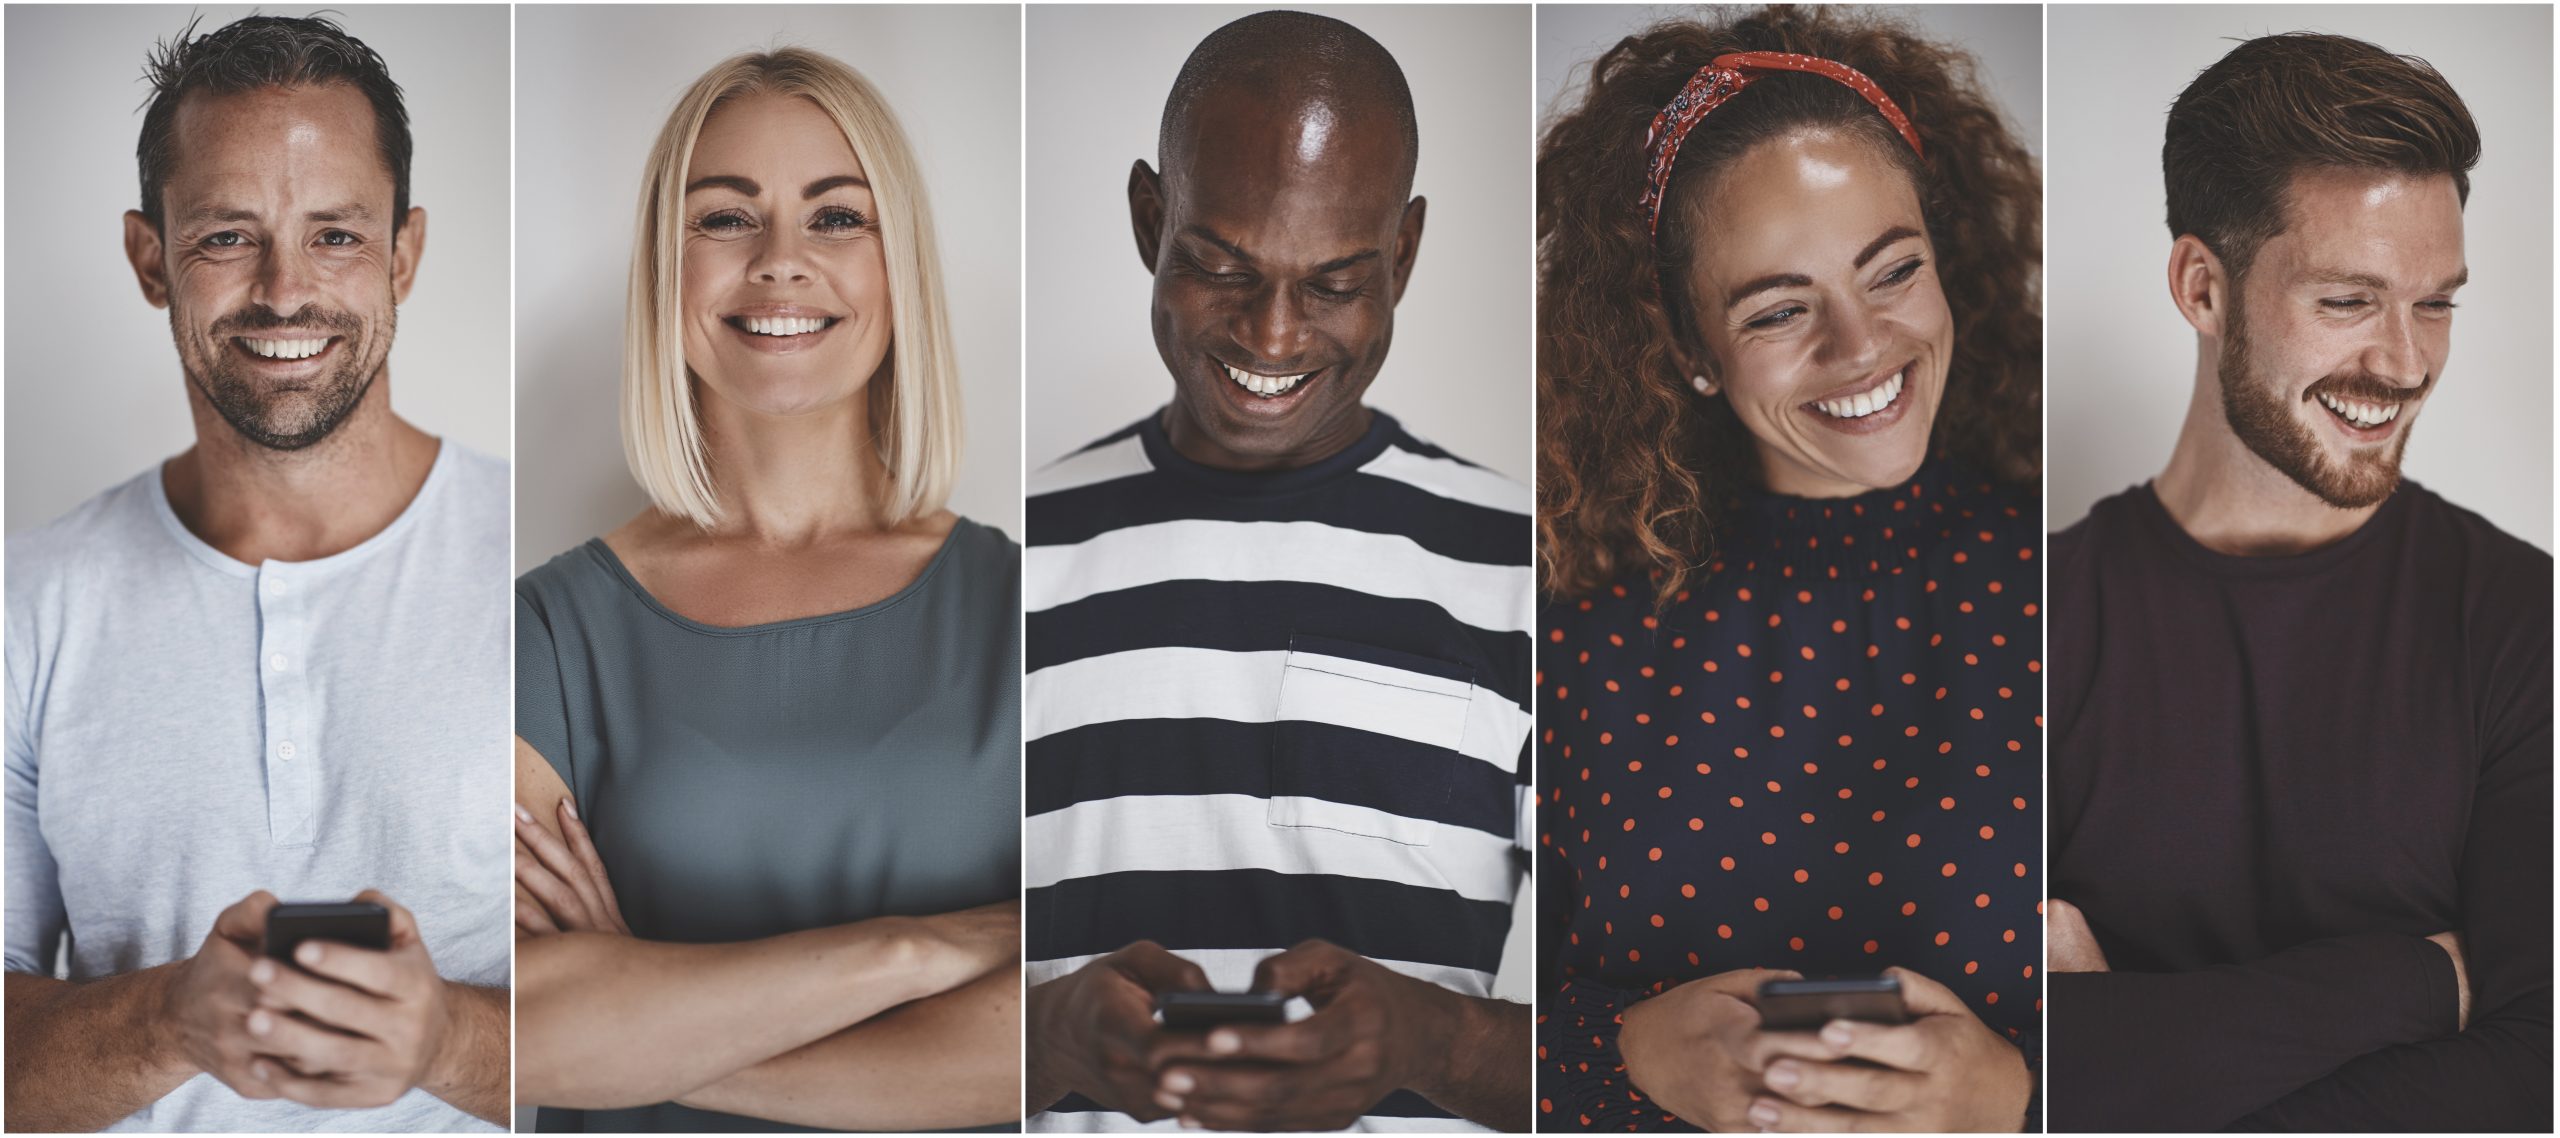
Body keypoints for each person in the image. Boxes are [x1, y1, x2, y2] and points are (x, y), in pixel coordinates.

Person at [1533, 6, 2043, 1132]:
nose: (1859, 346)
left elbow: (2204, 1020)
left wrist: (2025, 1094)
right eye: (1776, 308)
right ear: (1684, 348)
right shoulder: (1569, 632)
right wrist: (1612, 1049)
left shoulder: (2077, 589)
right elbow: (1453, 1019)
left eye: (1891, 270)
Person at [1022, 10, 1532, 1132]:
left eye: (1338, 282)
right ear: (1150, 219)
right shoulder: (1010, 557)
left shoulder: (1530, 568)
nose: (1274, 334)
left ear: (1403, 252)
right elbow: (916, 1002)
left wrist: (1430, 1039)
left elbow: (1638, 1028)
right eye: (1218, 265)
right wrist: (1038, 1040)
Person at [3, 14, 511, 1131]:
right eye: (229, 237)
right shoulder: (27, 604)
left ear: (405, 253)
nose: (285, 292)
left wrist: (451, 1039)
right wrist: (171, 1020)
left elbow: (640, 1028)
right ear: (150, 259)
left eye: (335, 234)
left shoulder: (542, 573)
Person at [508, 47, 1022, 1133]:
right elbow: (513, 1025)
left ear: (900, 266)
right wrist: (919, 949)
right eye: (725, 218)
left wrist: (636, 1012)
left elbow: (1044, 1039)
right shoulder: (546, 632)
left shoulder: (1029, 614)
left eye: (837, 217)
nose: (781, 261)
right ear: (667, 265)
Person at [2045, 31, 2551, 1132]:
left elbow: (2535, 1075)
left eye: (2436, 302)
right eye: (2347, 301)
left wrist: (2128, 1047)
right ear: (2200, 286)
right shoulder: (2032, 623)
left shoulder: (2522, 621)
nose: (2405, 362)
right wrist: (2423, 984)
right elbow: (1982, 1062)